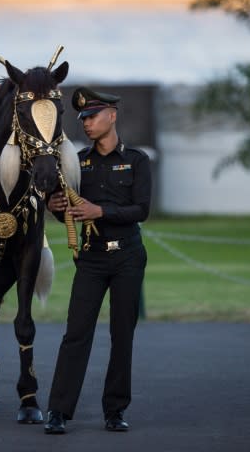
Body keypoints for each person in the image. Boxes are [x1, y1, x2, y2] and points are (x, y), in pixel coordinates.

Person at [44, 86, 152, 434]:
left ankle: (115, 410)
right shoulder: (78, 163)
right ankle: (58, 411)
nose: (87, 124)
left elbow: (141, 210)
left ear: (112, 115)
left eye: (92, 116)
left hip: (127, 258)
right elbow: (72, 212)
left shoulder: (136, 160)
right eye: (83, 119)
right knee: (76, 333)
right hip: (91, 259)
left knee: (122, 334)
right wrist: (57, 210)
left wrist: (100, 209)